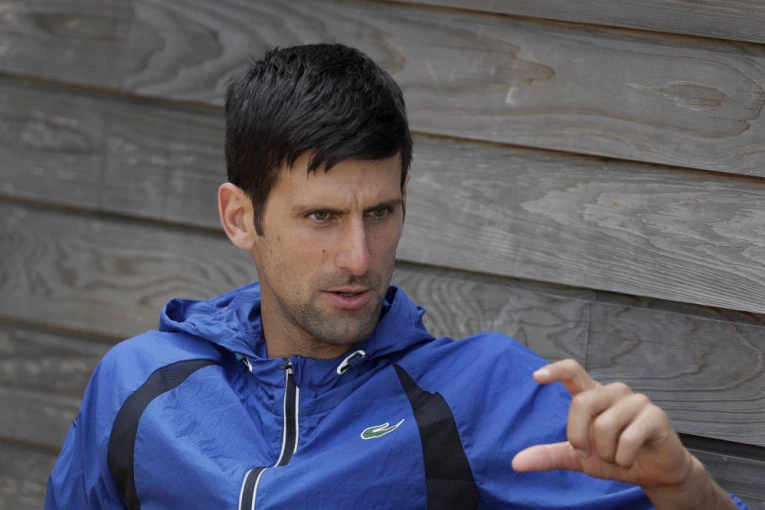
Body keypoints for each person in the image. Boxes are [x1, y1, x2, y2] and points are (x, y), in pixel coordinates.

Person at [46, 43, 748, 509]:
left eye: (379, 212)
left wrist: (682, 486)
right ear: (240, 217)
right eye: (321, 217)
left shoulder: (482, 394)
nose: (359, 258)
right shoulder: (139, 383)